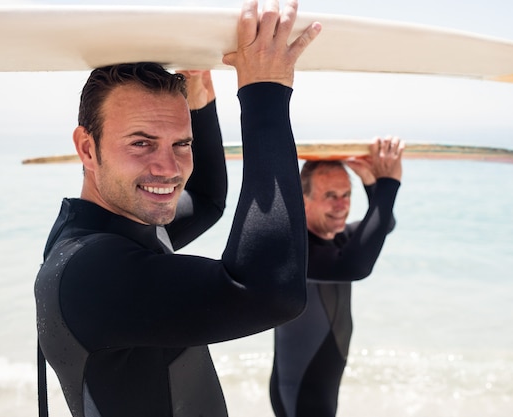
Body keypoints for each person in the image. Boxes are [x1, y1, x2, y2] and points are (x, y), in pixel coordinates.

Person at [34, 1, 321, 416]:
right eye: (141, 142)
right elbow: (271, 292)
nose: (168, 169)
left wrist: (201, 106)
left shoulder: (119, 228)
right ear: (86, 148)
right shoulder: (90, 270)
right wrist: (265, 96)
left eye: (181, 144)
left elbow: (206, 200)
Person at [269, 136, 405, 417]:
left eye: (346, 195)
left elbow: (383, 223)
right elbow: (354, 267)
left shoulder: (341, 240)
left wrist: (371, 182)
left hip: (322, 391)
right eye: (331, 195)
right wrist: (389, 183)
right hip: (299, 396)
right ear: (302, 200)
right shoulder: (294, 253)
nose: (342, 205)